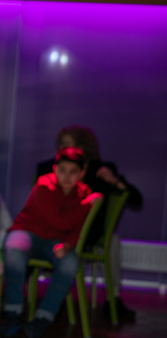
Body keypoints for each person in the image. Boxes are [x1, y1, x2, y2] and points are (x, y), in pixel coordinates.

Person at [35, 125, 142, 320]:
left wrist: (115, 182)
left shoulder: (100, 170)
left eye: (67, 144)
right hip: (56, 229)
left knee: (112, 242)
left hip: (87, 233)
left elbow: (136, 200)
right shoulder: (48, 168)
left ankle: (113, 299)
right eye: (60, 144)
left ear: (83, 147)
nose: (62, 148)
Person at [0, 147, 102, 338]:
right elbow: (60, 221)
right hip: (27, 231)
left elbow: (77, 229)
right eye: (62, 171)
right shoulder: (44, 185)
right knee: (14, 252)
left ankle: (44, 317)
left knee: (70, 264)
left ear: (82, 173)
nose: (67, 177)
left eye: (73, 172)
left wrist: (68, 245)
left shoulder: (83, 193)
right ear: (55, 169)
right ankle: (13, 312)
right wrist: (86, 206)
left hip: (56, 241)